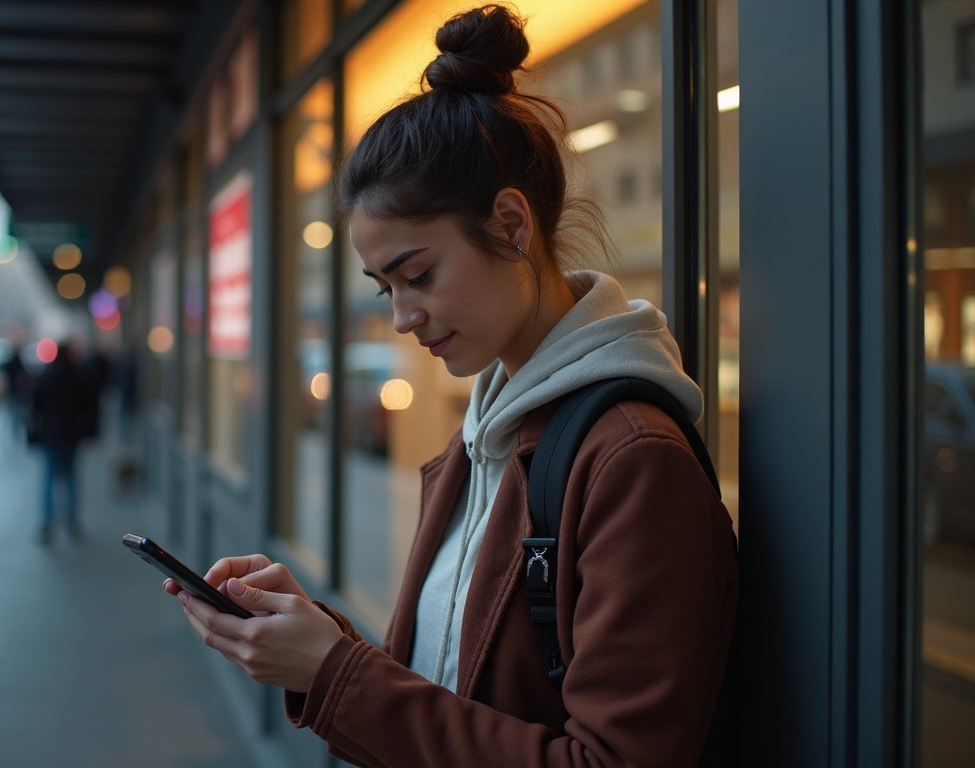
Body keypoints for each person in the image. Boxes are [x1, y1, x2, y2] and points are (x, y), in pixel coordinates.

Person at [164, 6, 738, 767]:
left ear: (510, 224)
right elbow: (450, 687)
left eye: (419, 275)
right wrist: (318, 642)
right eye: (384, 289)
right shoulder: (486, 434)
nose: (403, 317)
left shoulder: (630, 459)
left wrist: (334, 672)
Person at [29, 338, 101, 544]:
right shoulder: (78, 375)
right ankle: (71, 521)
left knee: (49, 479)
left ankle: (47, 522)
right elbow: (89, 404)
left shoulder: (46, 375)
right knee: (70, 479)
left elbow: (35, 405)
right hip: (72, 435)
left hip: (50, 435)